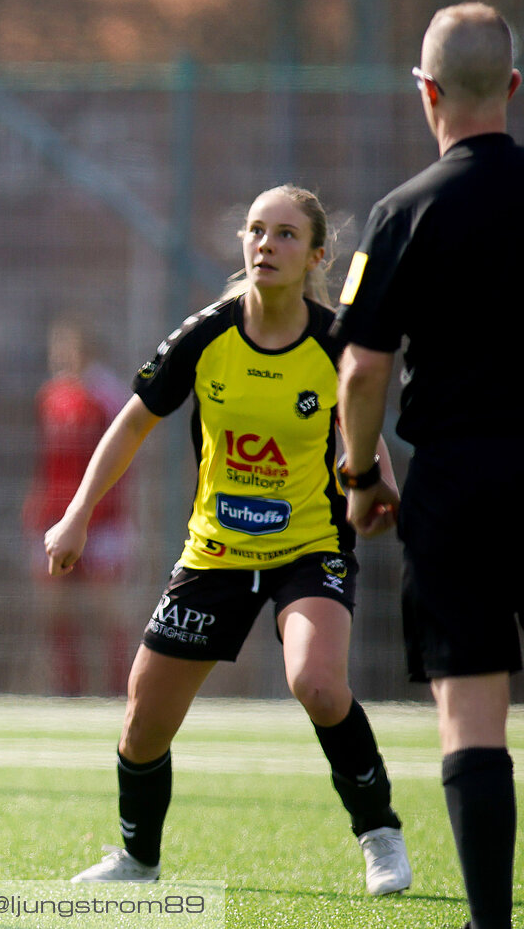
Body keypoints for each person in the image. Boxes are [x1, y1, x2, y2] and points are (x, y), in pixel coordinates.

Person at [49, 184, 412, 896]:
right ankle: (138, 858)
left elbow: (359, 425)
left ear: (314, 254)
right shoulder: (206, 333)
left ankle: (380, 833)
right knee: (144, 715)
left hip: (310, 546)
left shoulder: (335, 339)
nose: (265, 245)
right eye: (255, 230)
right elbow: (130, 422)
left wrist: (375, 483)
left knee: (316, 682)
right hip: (215, 551)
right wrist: (78, 511)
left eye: (283, 234)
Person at [334, 3, 524, 929]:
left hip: (457, 483)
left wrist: (362, 474)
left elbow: (363, 364)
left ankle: (493, 923)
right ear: (515, 89)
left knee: (473, 714)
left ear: (429, 92)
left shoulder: (403, 212)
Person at [22, 317, 136, 696]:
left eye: (68, 347)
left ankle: (118, 688)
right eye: (57, 348)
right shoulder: (51, 396)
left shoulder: (107, 396)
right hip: (55, 518)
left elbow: (124, 455)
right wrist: (37, 506)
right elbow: (47, 460)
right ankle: (67, 688)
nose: (61, 356)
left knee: (107, 609)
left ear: (87, 350)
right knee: (54, 606)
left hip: (102, 520)